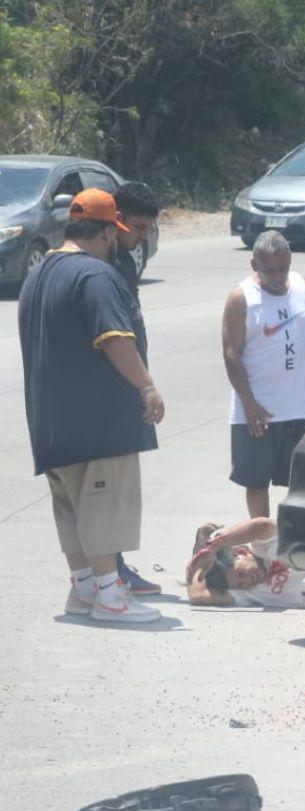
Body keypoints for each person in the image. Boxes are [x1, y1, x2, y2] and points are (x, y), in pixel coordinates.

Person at [18, 188, 166, 624]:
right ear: (104, 232)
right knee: (103, 503)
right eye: (114, 232)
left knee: (70, 507)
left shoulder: (37, 276)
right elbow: (115, 338)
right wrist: (146, 386)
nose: (116, 241)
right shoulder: (95, 275)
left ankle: (83, 589)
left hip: (50, 421)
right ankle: (111, 596)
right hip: (97, 423)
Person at [221, 230, 305, 519]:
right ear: (254, 264)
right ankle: (262, 543)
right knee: (257, 484)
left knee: (302, 482)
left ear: (290, 259)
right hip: (257, 411)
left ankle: (293, 538)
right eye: (268, 270)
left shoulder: (304, 287)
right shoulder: (241, 298)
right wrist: (249, 404)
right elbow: (231, 355)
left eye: (282, 268)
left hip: (299, 409)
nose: (277, 276)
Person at [111, 181, 162, 596]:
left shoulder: (125, 261)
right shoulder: (101, 266)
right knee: (110, 486)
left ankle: (110, 567)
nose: (143, 237)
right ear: (117, 220)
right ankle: (109, 571)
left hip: (128, 385)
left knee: (122, 484)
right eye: (139, 227)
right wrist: (144, 385)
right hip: (112, 388)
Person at [186, 518, 305, 609]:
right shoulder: (250, 593)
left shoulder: (265, 547)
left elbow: (262, 525)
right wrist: (199, 566)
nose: (247, 581)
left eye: (241, 573)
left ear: (241, 552)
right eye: (240, 585)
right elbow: (197, 596)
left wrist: (212, 547)